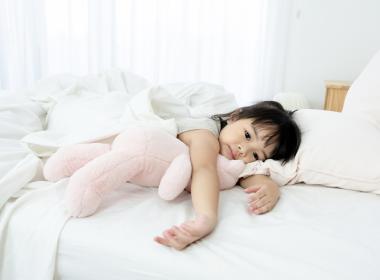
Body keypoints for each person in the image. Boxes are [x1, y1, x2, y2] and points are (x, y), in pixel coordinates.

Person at [154, 101, 301, 250]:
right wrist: (206, 218)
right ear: (234, 117)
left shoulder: (231, 155)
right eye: (247, 135)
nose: (243, 149)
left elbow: (245, 173)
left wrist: (270, 186)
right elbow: (204, 168)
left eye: (256, 154)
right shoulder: (205, 134)